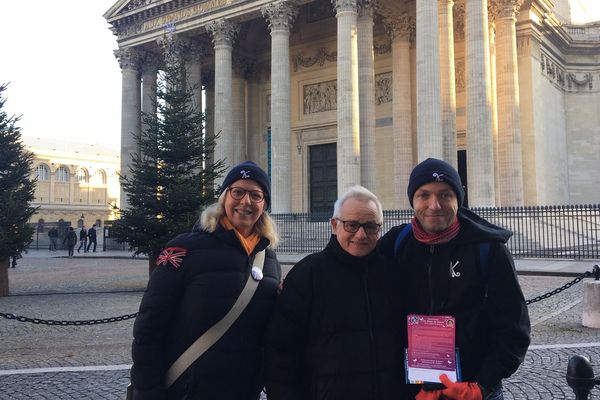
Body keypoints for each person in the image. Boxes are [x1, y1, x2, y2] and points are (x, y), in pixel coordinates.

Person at [379, 158, 531, 400]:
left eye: (445, 195)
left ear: (458, 198)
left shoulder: (488, 249)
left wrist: (483, 386)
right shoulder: (397, 243)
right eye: (424, 195)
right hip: (415, 390)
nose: (434, 205)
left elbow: (513, 326)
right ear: (412, 200)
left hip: (471, 387)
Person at [130, 161, 281, 400]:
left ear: (264, 204)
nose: (246, 202)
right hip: (188, 391)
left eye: (256, 195)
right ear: (224, 197)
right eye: (238, 192)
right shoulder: (185, 248)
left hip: (242, 391)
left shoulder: (268, 259)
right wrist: (147, 391)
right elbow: (149, 328)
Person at [265, 185, 407, 400]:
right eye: (351, 225)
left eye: (370, 226)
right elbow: (281, 352)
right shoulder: (307, 275)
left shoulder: (394, 274)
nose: (360, 235)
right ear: (334, 225)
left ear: (380, 229)